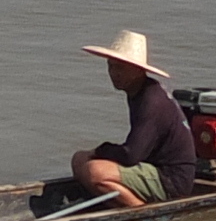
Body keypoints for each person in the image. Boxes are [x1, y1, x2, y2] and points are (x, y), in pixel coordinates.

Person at [71, 28, 199, 207]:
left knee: (95, 171)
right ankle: (111, 201)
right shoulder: (138, 91)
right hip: (153, 165)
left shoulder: (151, 101)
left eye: (120, 68)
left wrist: (99, 151)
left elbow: (131, 155)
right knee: (79, 160)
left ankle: (138, 210)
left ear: (138, 71)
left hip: (171, 180)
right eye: (111, 66)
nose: (114, 73)